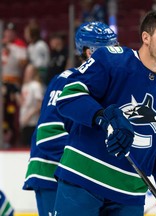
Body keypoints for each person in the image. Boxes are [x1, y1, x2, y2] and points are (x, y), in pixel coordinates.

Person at [54, 10, 156, 216]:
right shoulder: (111, 59)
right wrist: (104, 117)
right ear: (146, 37)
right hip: (82, 179)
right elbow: (69, 97)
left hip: (130, 195)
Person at [22, 22, 118, 216]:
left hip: (80, 179)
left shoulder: (106, 84)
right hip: (51, 174)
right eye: (108, 49)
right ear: (89, 52)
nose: (115, 54)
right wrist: (86, 165)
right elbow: (48, 135)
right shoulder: (67, 80)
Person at [19, 64, 44, 147]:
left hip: (32, 122)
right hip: (24, 122)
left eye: (29, 71)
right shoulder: (25, 86)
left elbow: (39, 104)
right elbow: (23, 103)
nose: (27, 73)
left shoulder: (35, 85)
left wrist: (28, 116)